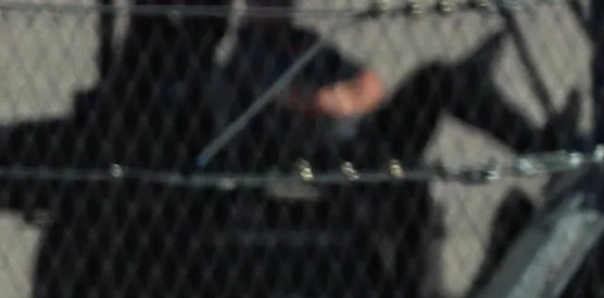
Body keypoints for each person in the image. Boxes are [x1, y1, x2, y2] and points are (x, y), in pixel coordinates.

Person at [217, 0, 543, 171]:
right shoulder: (247, 52)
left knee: (436, 79)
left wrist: (344, 99)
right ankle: (473, 78)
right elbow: (299, 99)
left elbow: (371, 82)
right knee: (443, 81)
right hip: (323, 154)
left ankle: (541, 146)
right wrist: (338, 98)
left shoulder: (304, 40)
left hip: (366, 133)